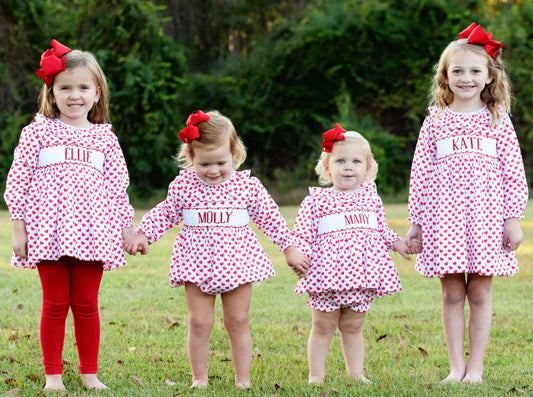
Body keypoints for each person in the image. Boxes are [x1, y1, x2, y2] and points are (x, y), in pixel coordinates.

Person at [123, 110, 309, 389]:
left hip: (238, 262)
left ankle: (242, 380)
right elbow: (165, 213)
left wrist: (289, 248)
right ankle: (199, 378)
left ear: (235, 153)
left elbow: (271, 219)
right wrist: (143, 235)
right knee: (199, 322)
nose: (213, 170)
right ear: (191, 157)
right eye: (204, 163)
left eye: (220, 162)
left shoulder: (248, 186)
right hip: (195, 262)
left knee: (238, 320)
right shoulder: (184, 186)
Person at [3, 39, 134, 392]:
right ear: (52, 92)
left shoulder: (105, 139)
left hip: (93, 233)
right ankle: (53, 376)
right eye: (65, 87)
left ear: (96, 93)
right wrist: (19, 229)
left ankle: (89, 373)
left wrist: (126, 230)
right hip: (47, 232)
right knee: (56, 302)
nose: (74, 95)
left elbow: (117, 189)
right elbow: (18, 182)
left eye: (83, 87)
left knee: (87, 304)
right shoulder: (37, 133)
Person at [405, 22, 528, 384]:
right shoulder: (435, 122)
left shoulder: (497, 120)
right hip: (445, 221)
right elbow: (421, 175)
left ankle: (476, 369)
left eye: (475, 71)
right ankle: (456, 366)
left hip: (486, 220)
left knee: (479, 291)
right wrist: (417, 223)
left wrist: (512, 218)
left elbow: (513, 173)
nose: (466, 78)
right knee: (452, 293)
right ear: (445, 76)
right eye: (457, 70)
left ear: (489, 76)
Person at [292, 124, 409, 385]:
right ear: (327, 168)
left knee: (353, 326)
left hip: (362, 275)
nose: (348, 167)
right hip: (327, 276)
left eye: (356, 161)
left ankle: (356, 374)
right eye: (340, 161)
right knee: (323, 326)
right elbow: (301, 233)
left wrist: (398, 243)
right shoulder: (316, 200)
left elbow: (381, 229)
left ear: (367, 168)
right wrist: (298, 256)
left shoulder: (371, 197)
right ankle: (316, 375)